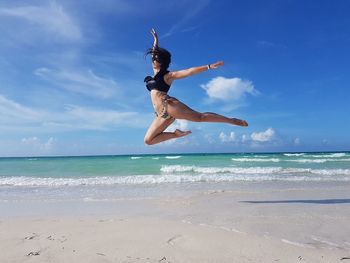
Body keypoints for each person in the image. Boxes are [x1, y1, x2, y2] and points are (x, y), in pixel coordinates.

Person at [144, 28, 248, 145]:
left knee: (200, 117)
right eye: (153, 58)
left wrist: (208, 66)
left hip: (169, 106)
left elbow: (189, 71)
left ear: (162, 62)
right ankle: (176, 134)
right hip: (161, 114)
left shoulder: (168, 75)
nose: (153, 59)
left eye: (156, 59)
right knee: (148, 140)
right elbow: (154, 52)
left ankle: (231, 121)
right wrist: (156, 40)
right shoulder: (155, 71)